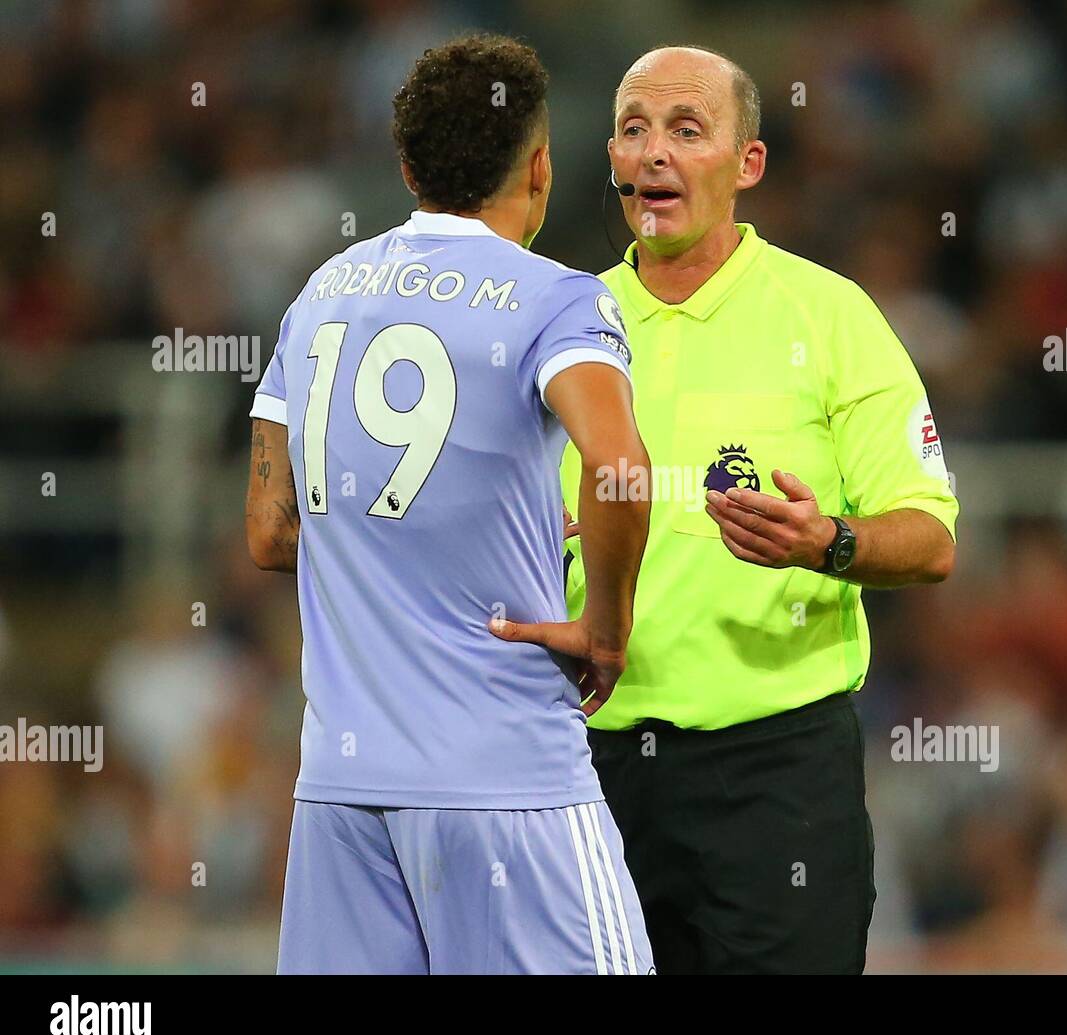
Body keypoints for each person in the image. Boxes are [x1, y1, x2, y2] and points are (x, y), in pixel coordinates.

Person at [495, 45, 959, 974]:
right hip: (584, 767)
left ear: (747, 164)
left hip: (776, 776)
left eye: (685, 129)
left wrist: (829, 542)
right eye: (633, 130)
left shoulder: (829, 317)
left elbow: (931, 536)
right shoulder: (556, 323)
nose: (653, 153)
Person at [244, 33, 654, 975]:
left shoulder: (321, 294)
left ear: (406, 166)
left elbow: (270, 532)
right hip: (506, 781)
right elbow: (622, 468)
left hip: (341, 795)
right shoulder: (558, 298)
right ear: (541, 164)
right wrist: (606, 624)